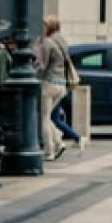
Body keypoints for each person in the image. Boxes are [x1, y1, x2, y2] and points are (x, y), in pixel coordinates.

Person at [33, 15, 70, 161]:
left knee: (44, 118)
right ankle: (58, 141)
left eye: (44, 25)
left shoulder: (47, 42)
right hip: (61, 84)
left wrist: (33, 73)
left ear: (49, 27)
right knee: (47, 117)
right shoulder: (61, 41)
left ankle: (49, 151)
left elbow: (42, 66)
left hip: (49, 84)